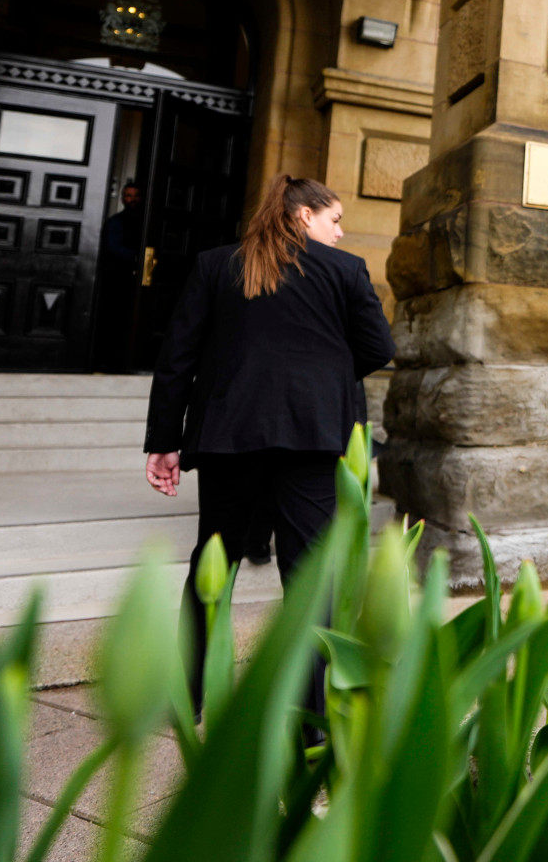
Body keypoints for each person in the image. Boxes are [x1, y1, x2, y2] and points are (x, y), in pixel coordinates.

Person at [143, 175, 395, 720]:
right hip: (312, 439)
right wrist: (322, 377)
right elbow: (379, 347)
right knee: (310, 577)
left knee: (213, 564)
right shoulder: (345, 270)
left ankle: (186, 698)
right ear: (304, 215)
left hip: (228, 436)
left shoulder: (216, 265)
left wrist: (164, 441)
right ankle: (310, 717)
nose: (340, 231)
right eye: (334, 219)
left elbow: (177, 359)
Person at [93, 181, 143, 371]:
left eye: (136, 195)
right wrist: (137, 258)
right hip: (117, 279)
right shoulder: (115, 222)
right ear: (122, 198)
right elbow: (113, 248)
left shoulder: (146, 221)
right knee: (113, 320)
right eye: (129, 195)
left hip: (137, 280)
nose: (132, 199)